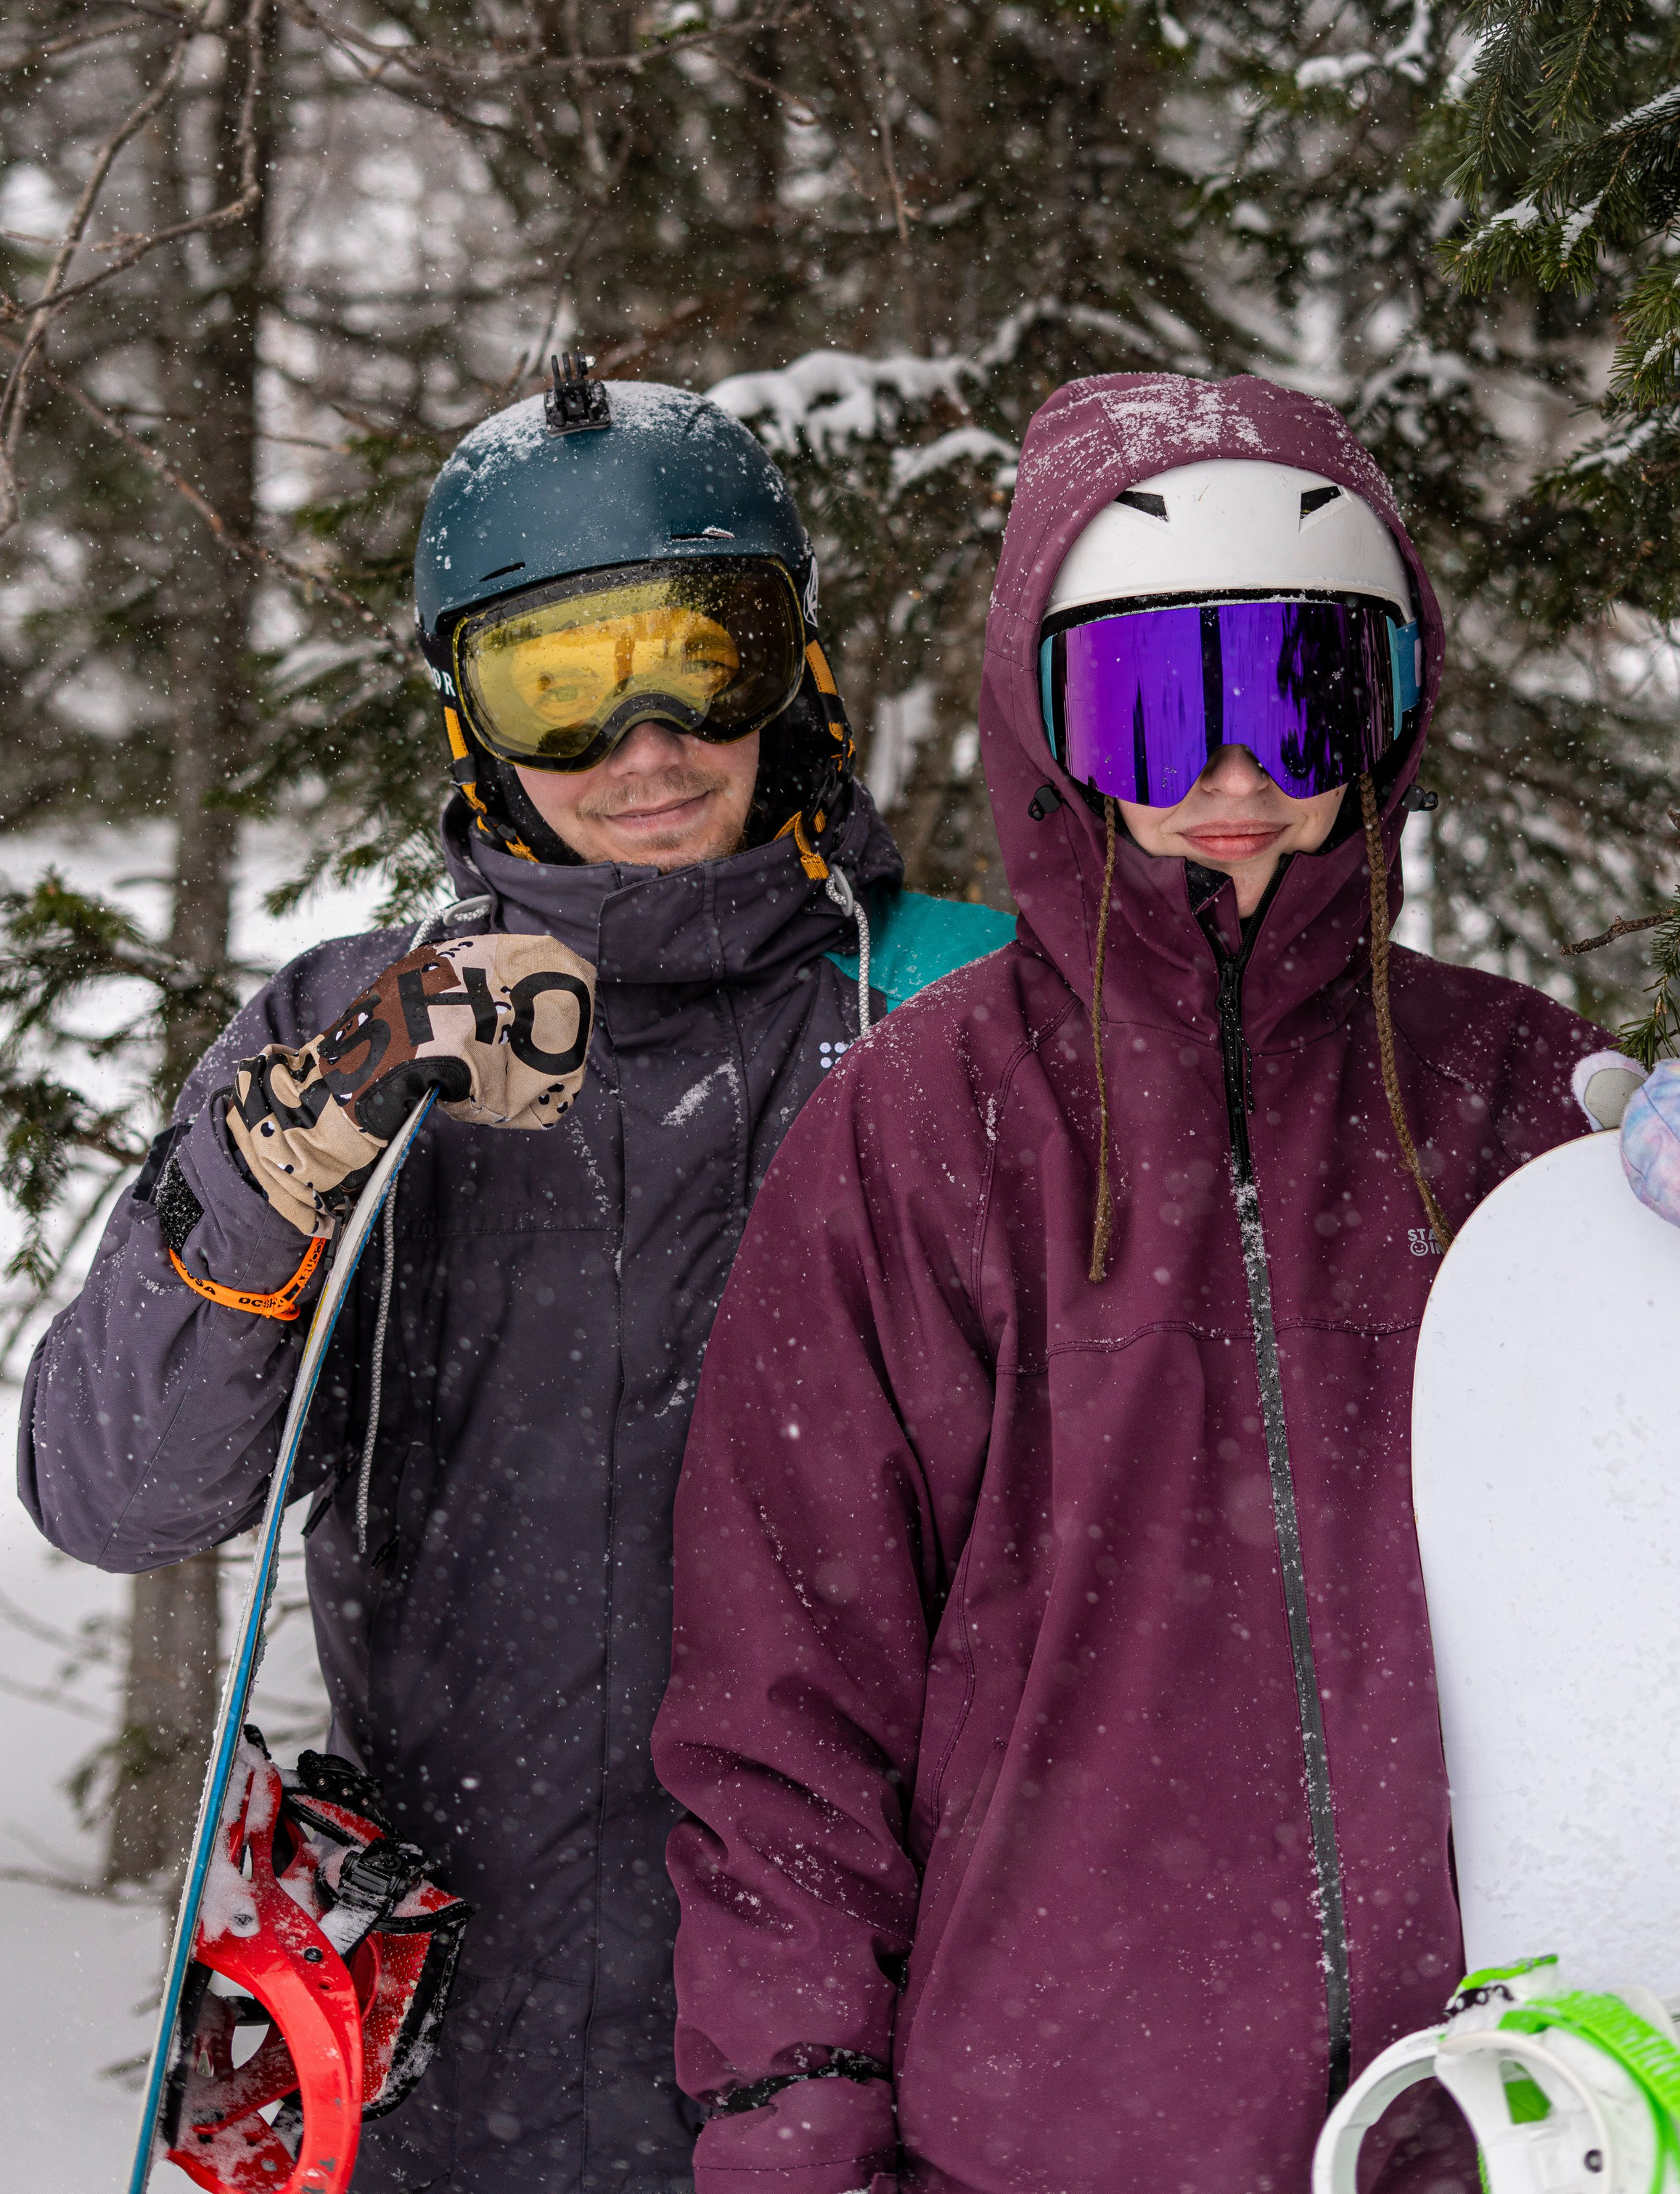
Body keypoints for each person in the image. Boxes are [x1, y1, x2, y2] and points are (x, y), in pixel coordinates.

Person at [650, 367, 1680, 2194]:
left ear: (1387, 714)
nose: (1226, 776)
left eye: (1299, 698)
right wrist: (797, 2122)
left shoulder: (1514, 1102)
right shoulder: (922, 1131)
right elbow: (783, 1693)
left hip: (1500, 2125)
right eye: (1147, 706)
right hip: (1055, 2132)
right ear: (1047, 727)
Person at [17, 361, 1012, 2194]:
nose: (642, 744)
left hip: (847, 2022)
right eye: (558, 684)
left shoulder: (949, 1015)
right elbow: (110, 1491)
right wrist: (274, 1174)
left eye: (700, 656)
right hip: (448, 2048)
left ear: (788, 667)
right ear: (470, 718)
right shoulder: (345, 1032)